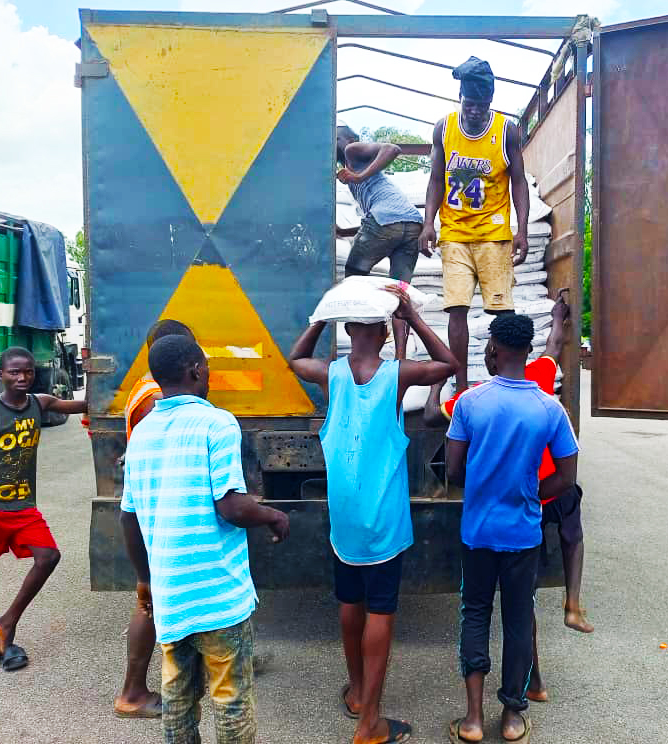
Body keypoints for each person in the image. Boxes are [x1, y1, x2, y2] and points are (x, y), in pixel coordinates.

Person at [289, 285, 457, 744]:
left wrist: (320, 317)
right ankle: (370, 725)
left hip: (344, 517)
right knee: (381, 609)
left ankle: (359, 693)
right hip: (383, 517)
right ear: (385, 334)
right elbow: (449, 365)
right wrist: (415, 319)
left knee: (349, 601)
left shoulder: (330, 373)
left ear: (346, 331)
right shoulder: (397, 375)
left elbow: (294, 360)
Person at [120, 335, 290, 744]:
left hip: (172, 597)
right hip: (218, 598)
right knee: (231, 705)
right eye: (207, 366)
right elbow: (230, 506)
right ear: (196, 370)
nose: (209, 372)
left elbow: (127, 516)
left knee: (178, 703)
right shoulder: (217, 422)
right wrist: (273, 515)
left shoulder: (141, 434)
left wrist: (146, 580)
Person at [426, 292, 591, 705]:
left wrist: (485, 485)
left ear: (493, 349)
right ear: (528, 349)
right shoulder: (549, 407)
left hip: (478, 530)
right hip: (523, 532)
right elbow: (566, 480)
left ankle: (474, 718)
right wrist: (529, 494)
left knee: (476, 614)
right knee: (518, 621)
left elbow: (455, 470)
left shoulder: (470, 402)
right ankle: (515, 714)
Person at [0, 346, 88, 672]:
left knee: (49, 556)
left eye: (28, 371)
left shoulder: (39, 403)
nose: (22, 377)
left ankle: (7, 622)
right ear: (0, 375)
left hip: (21, 504)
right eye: (14, 372)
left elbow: (83, 404)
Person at [419, 56, 531, 391]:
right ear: (460, 99)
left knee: (502, 312)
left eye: (481, 105)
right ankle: (461, 383)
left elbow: (520, 182)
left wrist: (521, 229)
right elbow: (436, 179)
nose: (474, 111)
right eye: (469, 104)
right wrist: (428, 223)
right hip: (454, 232)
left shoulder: (506, 131)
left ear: (491, 102)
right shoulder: (444, 128)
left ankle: (504, 381)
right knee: (457, 308)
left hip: (493, 233)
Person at [114, 318, 195, 719]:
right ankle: (131, 692)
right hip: (158, 508)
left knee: (160, 596)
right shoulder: (153, 399)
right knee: (149, 600)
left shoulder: (143, 388)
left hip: (154, 505)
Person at [337, 122, 425, 359]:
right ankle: (400, 358)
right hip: (411, 224)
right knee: (400, 296)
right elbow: (382, 220)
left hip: (387, 222)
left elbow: (393, 148)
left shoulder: (351, 150)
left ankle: (363, 350)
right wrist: (344, 232)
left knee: (354, 277)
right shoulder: (351, 166)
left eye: (334, 138)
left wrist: (358, 176)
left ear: (345, 139)